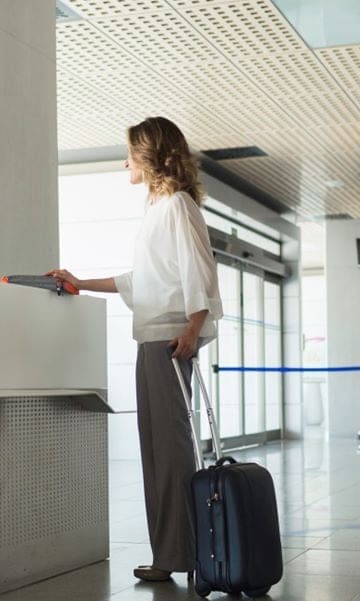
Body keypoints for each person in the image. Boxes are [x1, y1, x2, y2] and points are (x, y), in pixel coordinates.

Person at [47, 117, 223, 583]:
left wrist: (191, 328)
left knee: (169, 451)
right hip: (156, 337)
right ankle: (177, 551)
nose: (124, 162)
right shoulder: (162, 208)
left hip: (169, 341)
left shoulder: (177, 206)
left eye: (129, 153)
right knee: (160, 449)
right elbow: (141, 280)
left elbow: (199, 273)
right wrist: (81, 281)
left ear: (149, 156)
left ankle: (177, 554)